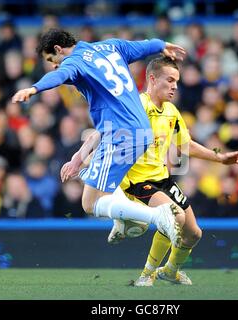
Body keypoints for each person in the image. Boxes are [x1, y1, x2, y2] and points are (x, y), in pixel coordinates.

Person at [61, 57, 238, 286]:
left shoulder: (170, 111)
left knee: (194, 234)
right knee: (175, 217)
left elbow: (185, 144)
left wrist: (219, 157)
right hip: (136, 182)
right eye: (170, 80)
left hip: (161, 179)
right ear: (152, 79)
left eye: (177, 81)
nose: (175, 86)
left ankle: (170, 271)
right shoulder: (136, 105)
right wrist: (79, 159)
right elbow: (100, 132)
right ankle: (146, 275)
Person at [12, 29, 187, 247]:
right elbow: (142, 47)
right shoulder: (110, 46)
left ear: (59, 49)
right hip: (139, 132)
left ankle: (157, 216)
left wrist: (34, 88)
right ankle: (124, 221)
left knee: (90, 202)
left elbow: (59, 76)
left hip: (120, 134)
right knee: (107, 188)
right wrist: (161, 45)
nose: (54, 65)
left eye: (52, 59)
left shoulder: (74, 62)